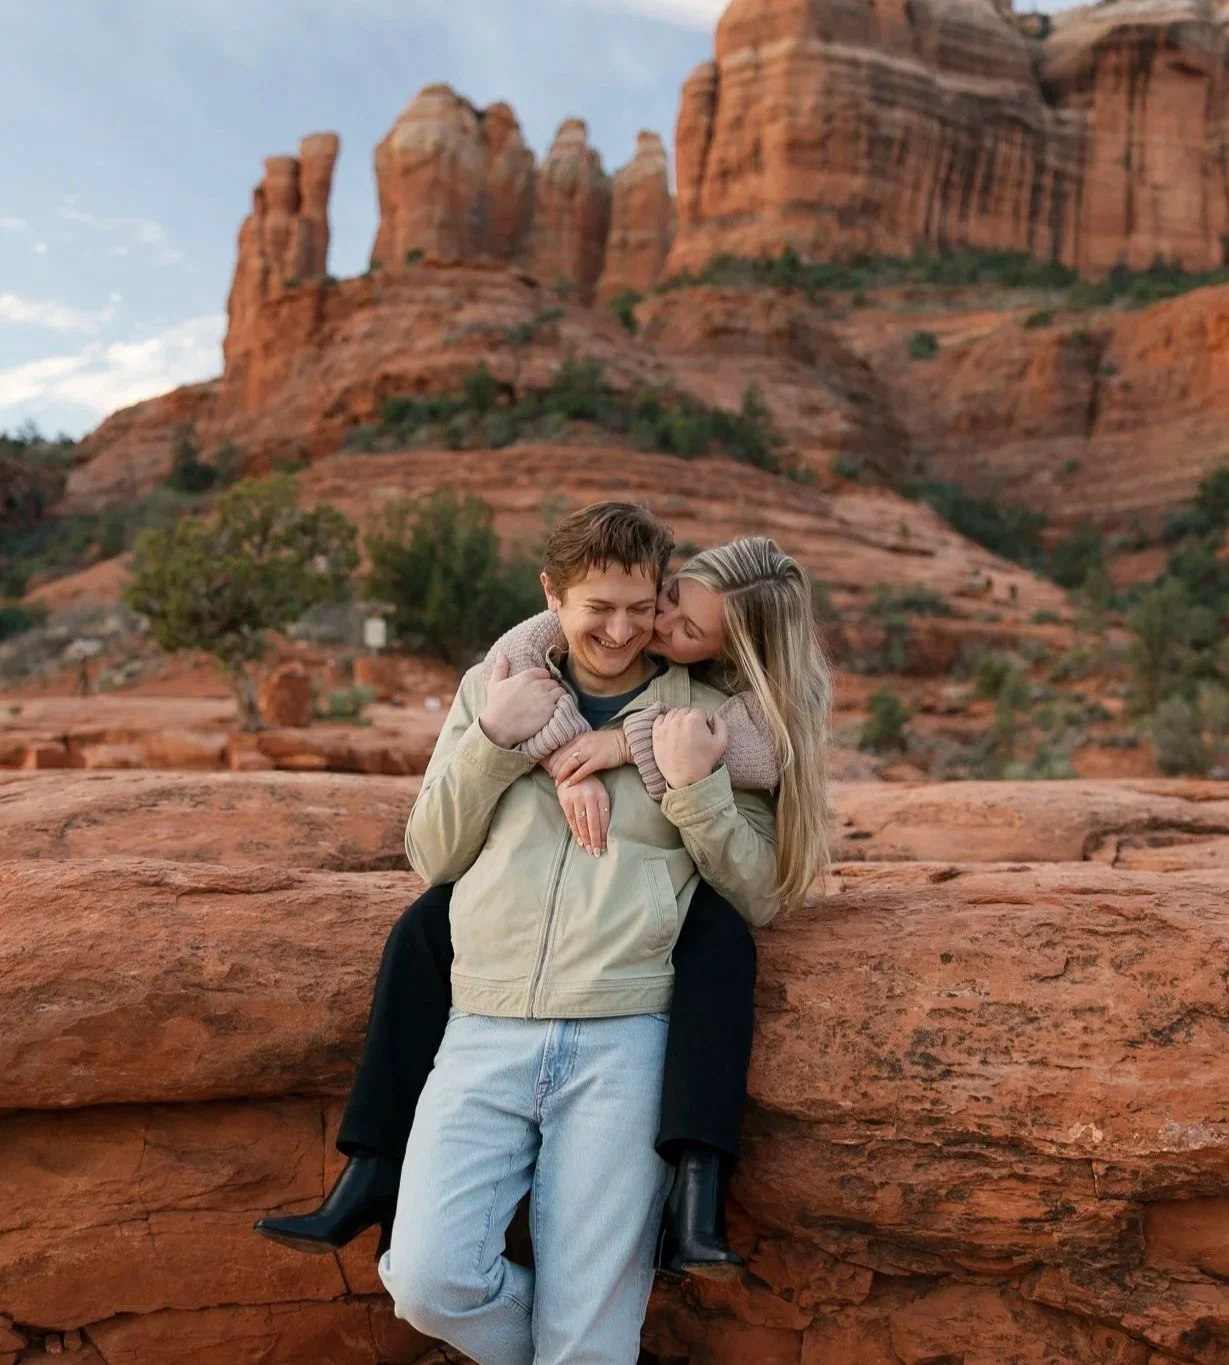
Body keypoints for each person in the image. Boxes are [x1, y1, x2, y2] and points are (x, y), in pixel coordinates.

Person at [254, 512, 831, 1288]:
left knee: (719, 940)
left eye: (667, 617)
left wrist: (669, 769)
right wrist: (518, 743)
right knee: (425, 924)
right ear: (555, 595)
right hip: (491, 1006)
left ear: (724, 648)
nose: (639, 628)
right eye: (631, 604)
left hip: (624, 1012)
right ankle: (370, 1170)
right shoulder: (511, 671)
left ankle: (697, 1190)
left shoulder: (722, 718)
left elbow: (758, 874)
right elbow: (431, 851)